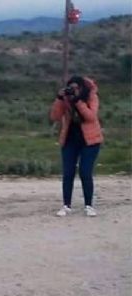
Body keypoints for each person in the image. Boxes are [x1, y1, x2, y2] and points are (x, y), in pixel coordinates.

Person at [50, 76, 103, 217]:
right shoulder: (66, 99)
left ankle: (89, 205)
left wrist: (78, 101)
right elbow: (55, 116)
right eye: (70, 88)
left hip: (90, 140)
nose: (73, 91)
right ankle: (66, 205)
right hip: (70, 139)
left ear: (82, 88)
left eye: (76, 88)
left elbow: (91, 116)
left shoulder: (91, 97)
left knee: (85, 172)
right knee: (68, 173)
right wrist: (59, 99)